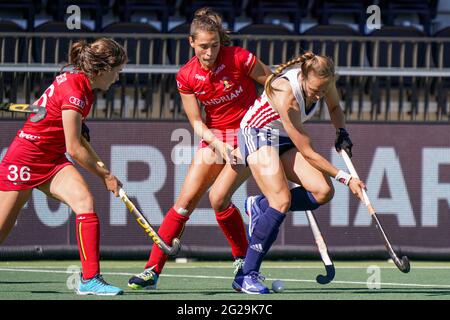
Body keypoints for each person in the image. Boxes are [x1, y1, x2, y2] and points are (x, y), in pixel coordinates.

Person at [128, 8, 272, 290]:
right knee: (184, 202)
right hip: (215, 137)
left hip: (248, 135)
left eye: (215, 45)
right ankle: (151, 272)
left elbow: (272, 83)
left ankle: (243, 262)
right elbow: (195, 121)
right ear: (191, 42)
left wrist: (271, 116)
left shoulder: (240, 58)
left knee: (218, 200)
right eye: (203, 46)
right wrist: (218, 144)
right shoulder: (186, 76)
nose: (209, 53)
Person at [0, 38, 127, 296]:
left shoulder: (80, 82)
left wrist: (80, 128)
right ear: (102, 70)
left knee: (84, 202)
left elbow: (72, 135)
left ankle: (90, 279)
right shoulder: (75, 91)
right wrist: (105, 174)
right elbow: (74, 148)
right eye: (117, 71)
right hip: (26, 157)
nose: (118, 78)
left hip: (52, 158)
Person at [232, 51, 366, 294]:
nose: (319, 95)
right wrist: (346, 178)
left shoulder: (325, 82)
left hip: (283, 138)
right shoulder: (288, 95)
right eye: (315, 90)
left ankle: (259, 206)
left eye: (323, 90)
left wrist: (341, 132)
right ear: (303, 77)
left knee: (323, 191)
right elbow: (308, 151)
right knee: (281, 201)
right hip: (258, 133)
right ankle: (246, 275)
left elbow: (335, 107)